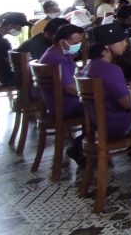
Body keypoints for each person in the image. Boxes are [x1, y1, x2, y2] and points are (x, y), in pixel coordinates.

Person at [40, 23, 87, 166]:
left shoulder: (60, 53)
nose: (78, 45)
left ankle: (86, 145)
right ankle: (79, 147)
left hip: (61, 102)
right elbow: (69, 88)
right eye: (75, 42)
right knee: (103, 108)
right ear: (62, 41)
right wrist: (90, 93)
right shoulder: (56, 58)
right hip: (66, 105)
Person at [83, 23, 131, 139]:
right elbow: (127, 104)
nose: (125, 44)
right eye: (121, 41)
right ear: (106, 46)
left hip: (100, 124)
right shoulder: (111, 70)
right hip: (120, 125)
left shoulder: (89, 67)